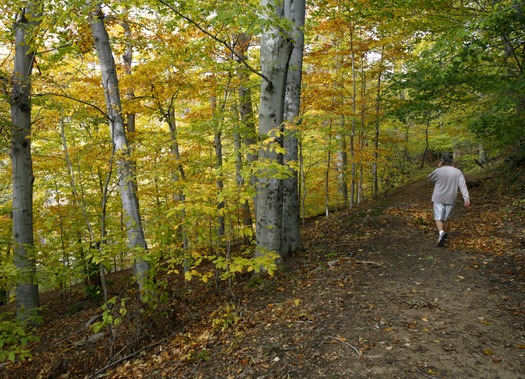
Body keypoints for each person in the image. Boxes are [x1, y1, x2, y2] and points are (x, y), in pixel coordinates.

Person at [428, 152, 470, 247]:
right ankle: (443, 237)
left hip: (438, 197)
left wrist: (439, 168)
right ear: (452, 161)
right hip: (451, 197)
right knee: (447, 218)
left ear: (443, 161)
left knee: (438, 218)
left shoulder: (439, 171)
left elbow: (430, 178)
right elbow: (462, 186)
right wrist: (466, 198)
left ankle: (441, 232)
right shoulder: (458, 172)